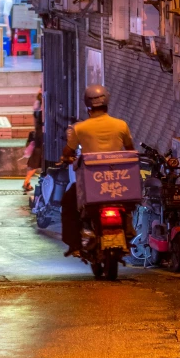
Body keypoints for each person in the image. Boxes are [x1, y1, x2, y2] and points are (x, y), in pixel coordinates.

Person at [61, 84, 134, 256]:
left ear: (88, 106)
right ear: (106, 102)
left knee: (68, 201)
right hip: (119, 182)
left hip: (91, 184)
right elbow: (130, 149)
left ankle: (75, 244)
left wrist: (65, 158)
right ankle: (129, 229)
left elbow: (67, 152)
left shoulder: (80, 128)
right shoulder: (121, 125)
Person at [22, 89, 43, 193]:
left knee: (35, 160)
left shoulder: (37, 107)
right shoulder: (44, 109)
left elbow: (35, 124)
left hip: (38, 135)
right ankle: (26, 182)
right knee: (37, 160)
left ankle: (26, 181)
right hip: (43, 136)